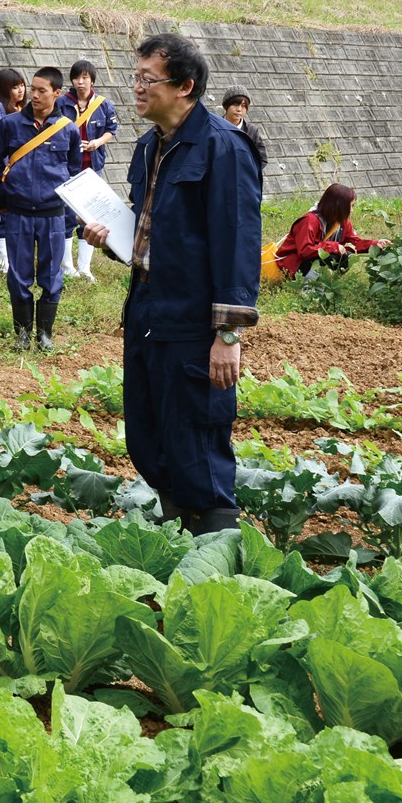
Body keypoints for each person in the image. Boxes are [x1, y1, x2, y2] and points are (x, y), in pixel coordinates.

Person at [81, 34, 262, 536]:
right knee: (148, 436)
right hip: (146, 309)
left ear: (185, 86)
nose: (135, 88)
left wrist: (227, 336)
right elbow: (151, 231)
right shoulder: (147, 146)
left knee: (196, 443)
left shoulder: (224, 148)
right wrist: (112, 240)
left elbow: (238, 241)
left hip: (192, 319)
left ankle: (216, 558)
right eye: (135, 77)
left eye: (146, 79)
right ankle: (177, 544)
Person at [0, 66, 83, 351]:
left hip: (52, 215)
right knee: (18, 275)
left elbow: (72, 171)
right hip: (18, 213)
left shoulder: (67, 130)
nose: (33, 95)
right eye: (31, 89)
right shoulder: (10, 124)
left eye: (41, 91)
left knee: (51, 275)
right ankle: (22, 334)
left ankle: (45, 334)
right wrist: (1, 201)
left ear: (57, 93)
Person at [58, 59, 119, 282]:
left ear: (92, 79)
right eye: (77, 77)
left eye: (85, 77)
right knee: (66, 216)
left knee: (89, 218)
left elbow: (112, 130)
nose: (80, 82)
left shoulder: (103, 104)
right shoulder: (61, 103)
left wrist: (96, 142)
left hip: (92, 167)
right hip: (66, 167)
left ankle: (84, 268)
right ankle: (67, 266)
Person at [273, 184, 384, 277]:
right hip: (294, 264)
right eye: (350, 206)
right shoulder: (309, 220)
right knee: (329, 256)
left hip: (311, 260)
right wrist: (333, 247)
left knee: (347, 256)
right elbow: (304, 251)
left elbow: (354, 243)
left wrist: (375, 244)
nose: (352, 210)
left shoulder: (342, 221)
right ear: (338, 206)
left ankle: (327, 283)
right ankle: (310, 288)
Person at [222, 86, 269, 170]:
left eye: (243, 106)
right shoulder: (214, 128)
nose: (239, 109)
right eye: (235, 104)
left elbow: (262, 159)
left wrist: (246, 173)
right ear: (226, 106)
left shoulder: (252, 131)